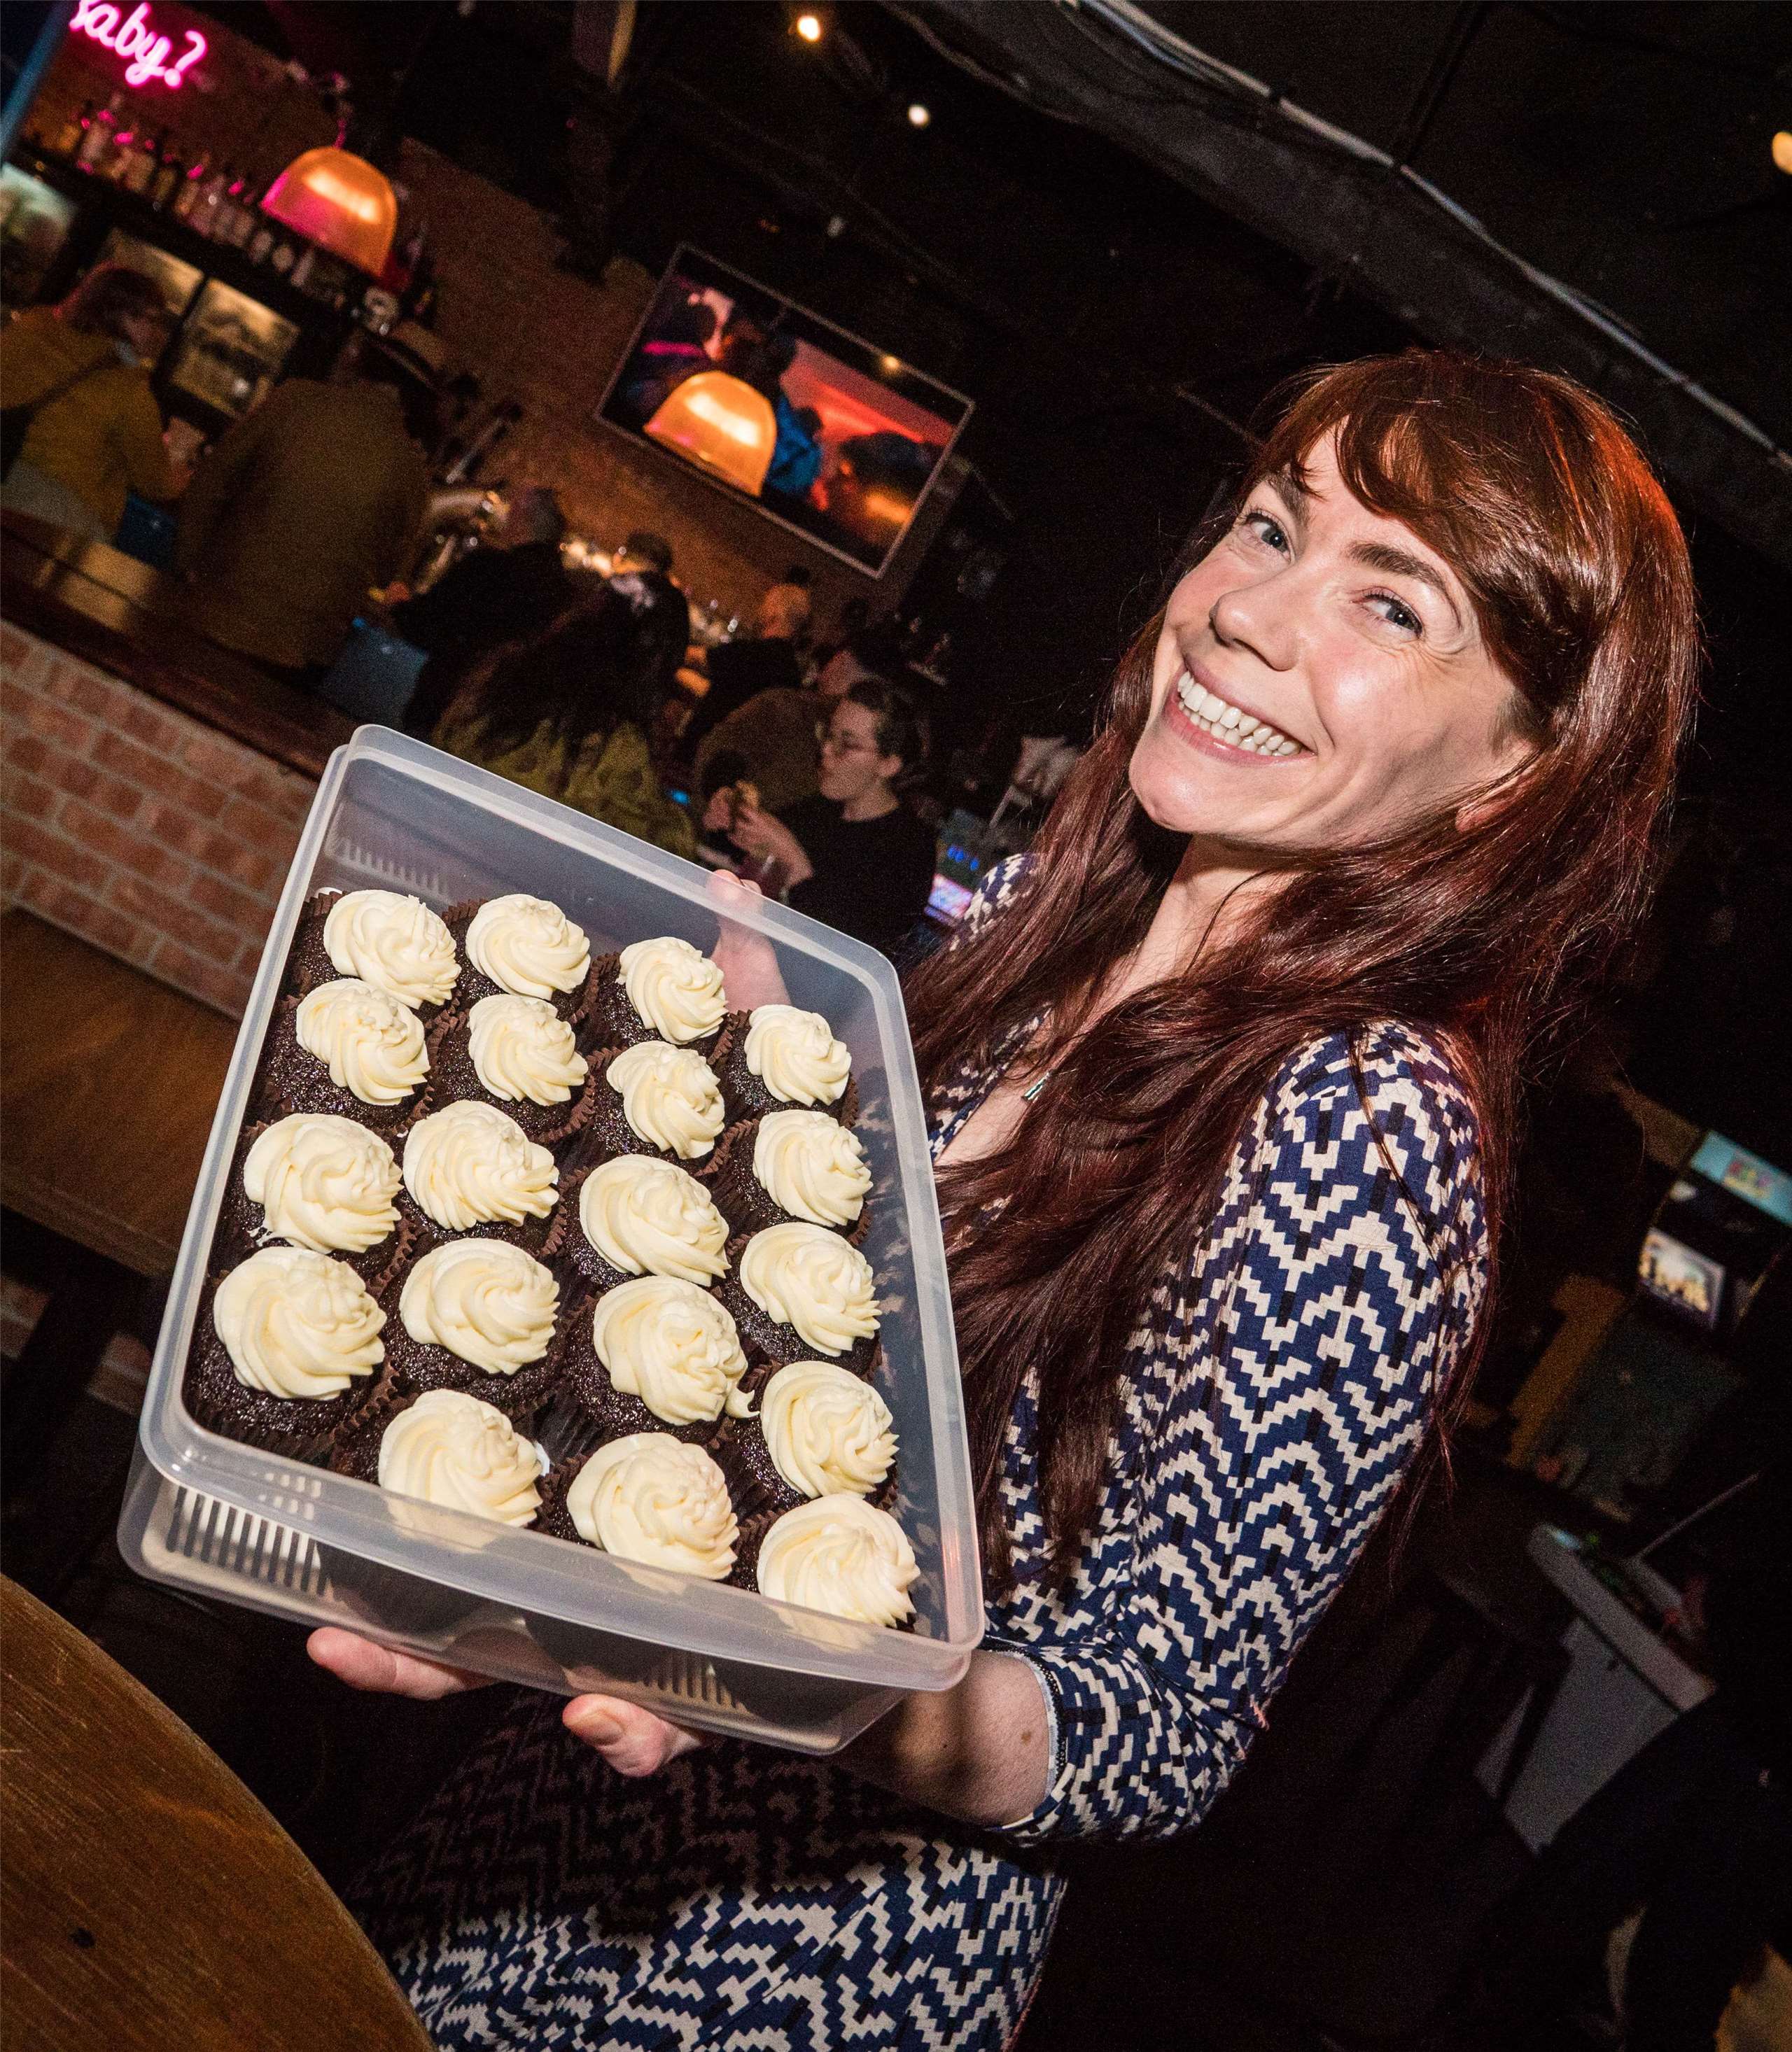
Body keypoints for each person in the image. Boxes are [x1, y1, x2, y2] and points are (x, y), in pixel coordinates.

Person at [309, 350, 1698, 2051]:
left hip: (786, 1960)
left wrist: (799, 1670)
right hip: (562, 1829)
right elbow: (837, 1419)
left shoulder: (1359, 1121)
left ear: (1511, 770)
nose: (1250, 613)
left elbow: (1154, 1726)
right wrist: (734, 1129)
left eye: (1391, 603)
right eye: (1268, 526)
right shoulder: (1054, 953)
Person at [175, 328, 437, 682]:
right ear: (420, 400)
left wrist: (189, 563)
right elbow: (389, 572)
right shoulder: (411, 470)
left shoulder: (295, 400)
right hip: (303, 651)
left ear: (365, 362)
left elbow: (212, 479)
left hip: (219, 608)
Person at [433, 584, 696, 859]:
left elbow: (443, 740)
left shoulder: (502, 677)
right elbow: (668, 849)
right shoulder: (616, 745)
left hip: (435, 846)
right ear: (658, 663)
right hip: (509, 882)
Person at [712, 677, 937, 957]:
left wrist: (795, 864)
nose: (827, 751)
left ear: (889, 764)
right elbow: (735, 860)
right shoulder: (820, 809)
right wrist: (730, 820)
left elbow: (854, 952)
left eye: (847, 744)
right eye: (828, 735)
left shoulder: (910, 850)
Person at [0, 265, 181, 541]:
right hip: (55, 515)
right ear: (123, 316)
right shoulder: (128, 389)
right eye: (153, 320)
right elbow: (157, 483)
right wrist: (183, 475)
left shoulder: (29, 327)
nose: (159, 333)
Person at [392, 486, 573, 738]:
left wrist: (399, 604)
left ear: (522, 521)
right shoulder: (568, 597)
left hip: (444, 710)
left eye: (512, 511)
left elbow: (426, 625)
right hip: (503, 732)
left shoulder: (488, 569)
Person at [682, 578, 812, 750]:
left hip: (705, 748)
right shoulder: (793, 674)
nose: (761, 610)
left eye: (766, 604)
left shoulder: (752, 652)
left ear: (774, 613)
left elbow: (697, 658)